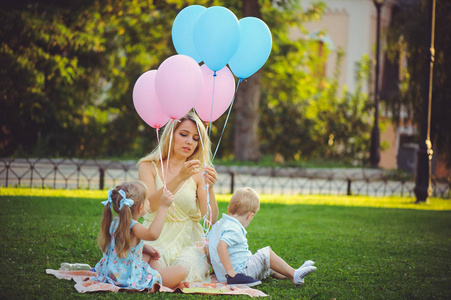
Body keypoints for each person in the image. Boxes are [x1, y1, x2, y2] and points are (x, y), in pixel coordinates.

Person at [138, 111, 219, 283]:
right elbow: (150, 206)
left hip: (189, 240)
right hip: (155, 235)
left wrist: (210, 189)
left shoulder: (199, 172)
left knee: (183, 268)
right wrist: (179, 178)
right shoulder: (148, 166)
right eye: (184, 134)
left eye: (196, 138)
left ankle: (152, 279)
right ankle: (155, 278)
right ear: (171, 134)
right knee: (148, 260)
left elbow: (209, 221)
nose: (189, 141)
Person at [207, 187, 317, 286]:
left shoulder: (218, 225)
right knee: (266, 254)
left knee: (269, 264)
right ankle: (294, 274)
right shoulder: (233, 228)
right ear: (250, 216)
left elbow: (211, 247)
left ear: (228, 209)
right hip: (238, 274)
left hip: (223, 275)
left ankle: (292, 273)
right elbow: (221, 246)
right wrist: (231, 272)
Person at [92, 180, 188, 290]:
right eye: (147, 200)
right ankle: (159, 280)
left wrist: (143, 247)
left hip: (114, 273)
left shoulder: (117, 222)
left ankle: (159, 275)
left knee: (150, 255)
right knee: (182, 270)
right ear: (140, 207)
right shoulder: (134, 226)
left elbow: (124, 244)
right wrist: (164, 207)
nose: (149, 202)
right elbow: (153, 234)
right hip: (129, 279)